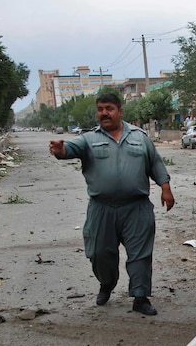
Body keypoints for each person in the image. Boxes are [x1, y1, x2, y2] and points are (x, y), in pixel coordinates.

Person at [49, 92, 175, 316]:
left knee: (140, 254)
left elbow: (155, 163)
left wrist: (165, 188)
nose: (104, 113)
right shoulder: (89, 139)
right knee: (100, 252)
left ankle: (140, 297)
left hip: (136, 207)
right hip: (102, 208)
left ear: (120, 111)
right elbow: (70, 149)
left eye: (109, 108)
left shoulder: (139, 137)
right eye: (100, 109)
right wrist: (61, 150)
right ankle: (107, 283)